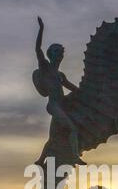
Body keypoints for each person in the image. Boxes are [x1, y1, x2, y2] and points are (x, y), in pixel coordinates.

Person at [33, 16, 86, 166]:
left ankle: (40, 160)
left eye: (60, 52)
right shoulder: (45, 68)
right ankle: (75, 156)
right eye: (56, 51)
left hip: (62, 106)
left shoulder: (60, 76)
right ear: (50, 54)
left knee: (53, 138)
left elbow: (74, 89)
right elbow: (37, 50)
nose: (59, 54)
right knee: (73, 129)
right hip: (54, 106)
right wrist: (41, 29)